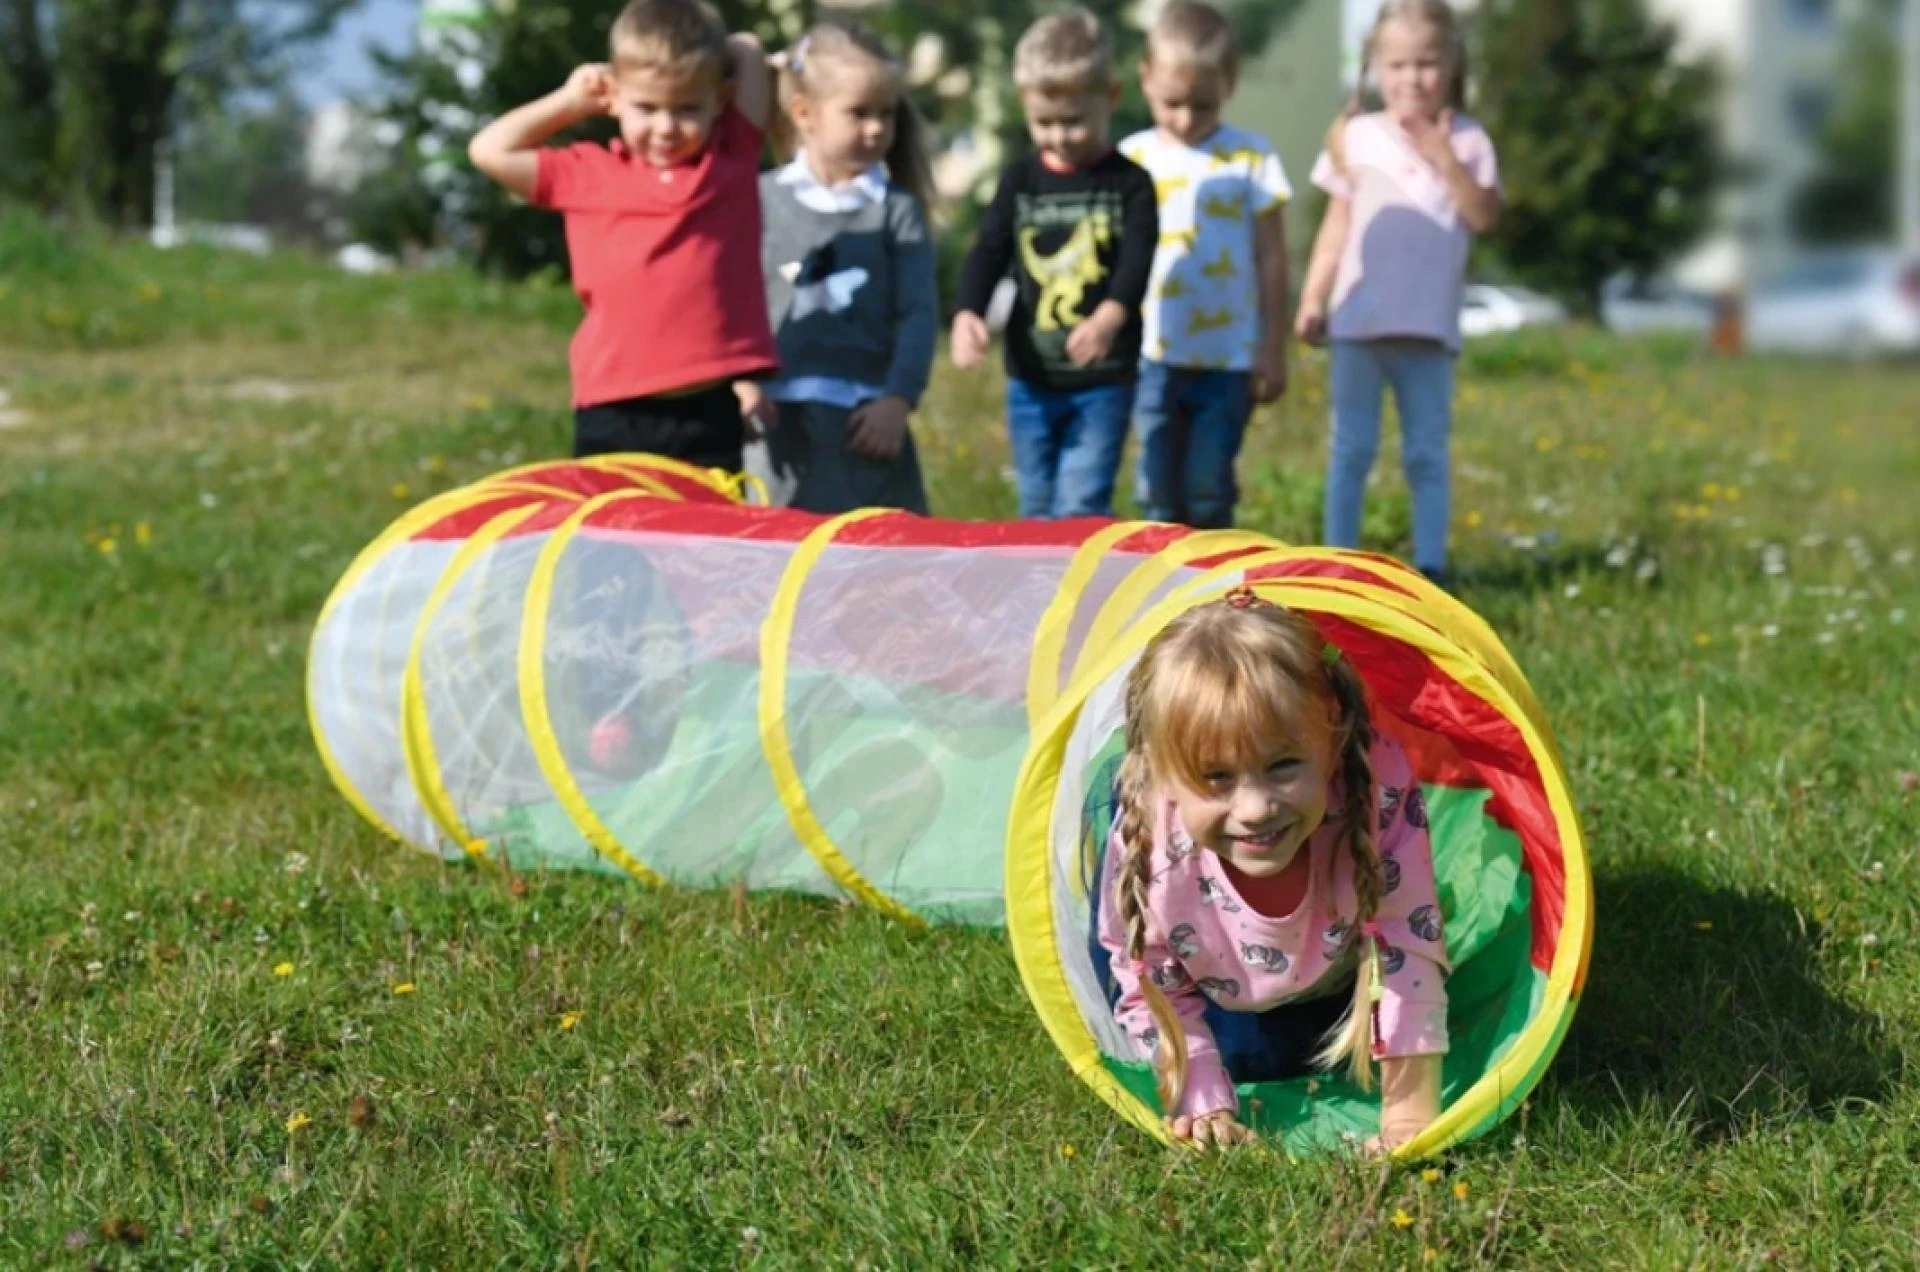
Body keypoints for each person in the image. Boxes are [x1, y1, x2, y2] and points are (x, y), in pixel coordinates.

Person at [1097, 586, 1449, 1150]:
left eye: (1283, 765)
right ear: (1165, 777)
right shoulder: (1153, 842)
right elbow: (1147, 977)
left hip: (1315, 958)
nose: (1256, 808)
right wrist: (1201, 1100)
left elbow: (1406, 941)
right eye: (1216, 777)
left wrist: (1407, 1119)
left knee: (1297, 1050)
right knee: (1250, 1057)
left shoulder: (1373, 791)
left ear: (1331, 746)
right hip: (1187, 951)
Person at [468, 0, 777, 471]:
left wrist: (702, 53)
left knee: (704, 543)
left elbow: (748, 49)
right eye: (646, 108)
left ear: (720, 99)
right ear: (613, 98)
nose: (666, 128)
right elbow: (489, 149)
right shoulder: (586, 173)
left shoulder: (730, 158)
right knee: (613, 543)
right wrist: (571, 101)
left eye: (687, 108)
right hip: (614, 410)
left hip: (709, 408)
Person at [1293, 0, 1501, 588]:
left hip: (1428, 330)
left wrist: (1444, 158)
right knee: (1350, 448)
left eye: (1427, 64)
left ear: (1451, 64)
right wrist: (1313, 296)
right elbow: (1337, 226)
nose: (1412, 78)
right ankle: (1338, 563)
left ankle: (1431, 564)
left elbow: (1484, 215)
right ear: (1376, 67)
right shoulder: (1357, 136)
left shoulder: (1468, 139)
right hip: (1358, 324)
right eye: (1398, 64)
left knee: (1426, 453)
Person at [950, 8, 1158, 520]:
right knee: (1037, 504)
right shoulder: (1019, 181)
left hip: (1103, 381)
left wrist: (1109, 318)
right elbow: (989, 249)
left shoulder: (1130, 185)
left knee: (1082, 500)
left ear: (1110, 97)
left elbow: (1136, 262)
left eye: (1074, 121)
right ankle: (1045, 598)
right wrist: (967, 312)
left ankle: (1086, 597)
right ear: (1024, 104)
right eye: (1044, 122)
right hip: (1031, 379)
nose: (1059, 136)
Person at [738, 22, 939, 514]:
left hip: (867, 429)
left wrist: (898, 400)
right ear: (804, 113)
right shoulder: (757, 200)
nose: (876, 128)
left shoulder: (897, 212)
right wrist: (740, 383)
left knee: (877, 572)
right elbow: (728, 300)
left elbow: (918, 313)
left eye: (886, 114)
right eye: (859, 113)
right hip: (776, 429)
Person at [1120, 0, 1292, 529]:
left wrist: (1272, 347)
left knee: (1208, 488)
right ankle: (1161, 597)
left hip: (1229, 359)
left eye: (1204, 105)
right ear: (1145, 77)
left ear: (1230, 84)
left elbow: (1271, 257)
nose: (1187, 119)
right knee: (1155, 492)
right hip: (1151, 354)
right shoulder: (1130, 159)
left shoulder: (1251, 158)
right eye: (1173, 103)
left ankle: (1213, 601)